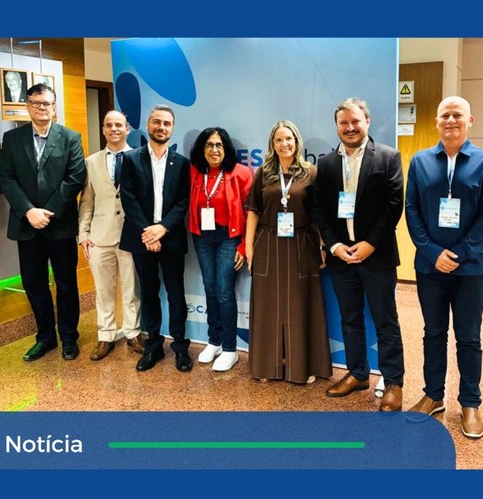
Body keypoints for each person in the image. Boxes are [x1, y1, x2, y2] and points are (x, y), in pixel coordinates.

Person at [405, 96, 483, 439]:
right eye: (444, 115)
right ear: (436, 121)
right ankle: (433, 395)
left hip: (470, 268)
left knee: (468, 336)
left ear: (469, 120)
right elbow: (412, 209)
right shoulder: (420, 161)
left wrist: (458, 254)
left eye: (457, 115)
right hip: (429, 266)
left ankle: (470, 403)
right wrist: (433, 253)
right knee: (433, 332)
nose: (450, 120)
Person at [313, 96, 405, 411]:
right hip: (342, 258)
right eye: (344, 123)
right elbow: (320, 210)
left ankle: (393, 382)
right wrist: (334, 246)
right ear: (337, 126)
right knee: (350, 319)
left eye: (355, 121)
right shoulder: (326, 163)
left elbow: (393, 205)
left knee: (385, 321)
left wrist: (370, 244)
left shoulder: (388, 157)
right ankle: (357, 374)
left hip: (376, 256)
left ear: (367, 121)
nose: (350, 127)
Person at [0, 83, 86, 362]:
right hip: (27, 225)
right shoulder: (12, 139)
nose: (41, 108)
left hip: (60, 225)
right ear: (27, 106)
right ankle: (45, 337)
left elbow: (75, 178)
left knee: (66, 283)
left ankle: (69, 336)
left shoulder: (70, 137)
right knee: (34, 283)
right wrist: (28, 211)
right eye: (35, 103)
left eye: (46, 103)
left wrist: (46, 212)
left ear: (54, 107)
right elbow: (6, 177)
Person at [245, 120, 332, 385]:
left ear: (297, 141)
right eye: (279, 140)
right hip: (268, 243)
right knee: (267, 306)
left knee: (301, 304)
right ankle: (266, 366)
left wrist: (323, 246)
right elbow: (253, 211)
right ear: (272, 144)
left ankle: (302, 366)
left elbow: (319, 214)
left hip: (301, 243)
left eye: (289, 139)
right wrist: (249, 247)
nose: (284, 144)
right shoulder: (264, 173)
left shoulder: (310, 173)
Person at [119, 104, 192, 373]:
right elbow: (128, 198)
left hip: (170, 238)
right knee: (149, 294)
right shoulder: (130, 159)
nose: (161, 127)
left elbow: (183, 201)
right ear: (148, 125)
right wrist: (148, 232)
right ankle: (153, 346)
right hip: (142, 239)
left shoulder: (182, 163)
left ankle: (181, 347)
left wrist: (162, 229)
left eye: (167, 123)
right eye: (157, 122)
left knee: (176, 294)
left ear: (172, 128)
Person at [78, 110, 144, 362]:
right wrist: (83, 234)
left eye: (118, 124)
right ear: (103, 129)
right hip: (99, 236)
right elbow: (87, 201)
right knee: (103, 290)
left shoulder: (139, 158)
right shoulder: (91, 162)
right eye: (109, 125)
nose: (113, 129)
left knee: (131, 288)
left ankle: (133, 332)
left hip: (130, 235)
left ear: (127, 129)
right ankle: (105, 335)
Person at [188, 127, 253, 371]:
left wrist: (243, 245)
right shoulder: (195, 171)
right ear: (202, 149)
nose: (214, 149)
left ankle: (229, 348)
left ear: (226, 148)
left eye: (219, 145)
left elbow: (250, 212)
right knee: (210, 287)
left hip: (229, 237)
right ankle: (213, 341)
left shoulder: (241, 173)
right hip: (202, 237)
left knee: (224, 291)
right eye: (209, 145)